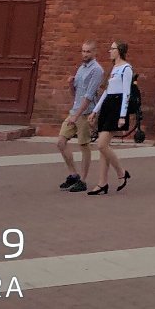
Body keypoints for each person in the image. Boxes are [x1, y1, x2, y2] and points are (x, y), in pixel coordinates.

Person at [87, 40, 133, 195]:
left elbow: (126, 93)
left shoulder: (126, 68)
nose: (109, 51)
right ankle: (102, 183)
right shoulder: (114, 68)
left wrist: (122, 115)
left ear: (119, 50)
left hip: (117, 107)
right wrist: (95, 111)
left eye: (112, 49)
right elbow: (107, 91)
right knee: (103, 148)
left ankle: (121, 172)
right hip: (107, 105)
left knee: (101, 145)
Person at [57, 39, 104, 192]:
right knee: (61, 142)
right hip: (75, 111)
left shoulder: (97, 70)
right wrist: (70, 84)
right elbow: (75, 94)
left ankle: (83, 180)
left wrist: (76, 116)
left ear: (94, 52)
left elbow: (89, 96)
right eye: (83, 51)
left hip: (85, 113)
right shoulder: (81, 68)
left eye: (88, 51)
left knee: (84, 145)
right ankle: (73, 174)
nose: (85, 54)